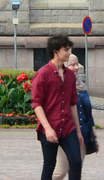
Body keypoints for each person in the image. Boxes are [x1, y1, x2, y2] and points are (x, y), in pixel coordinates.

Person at [33, 35, 82, 180]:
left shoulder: (70, 76)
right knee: (49, 164)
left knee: (76, 162)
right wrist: (47, 128)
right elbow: (37, 104)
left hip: (68, 127)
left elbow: (73, 104)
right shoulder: (43, 74)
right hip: (49, 126)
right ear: (56, 51)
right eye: (66, 50)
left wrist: (78, 131)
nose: (69, 53)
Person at [65, 53, 97, 156]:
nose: (76, 68)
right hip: (67, 134)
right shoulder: (61, 86)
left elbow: (88, 113)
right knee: (61, 170)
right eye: (72, 65)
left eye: (77, 64)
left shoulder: (82, 87)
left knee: (77, 168)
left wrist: (94, 135)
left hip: (84, 134)